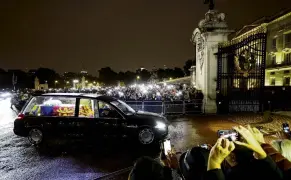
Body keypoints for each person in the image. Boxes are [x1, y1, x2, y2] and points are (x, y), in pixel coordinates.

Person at [204, 125, 284, 180]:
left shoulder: (231, 176)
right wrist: (261, 147)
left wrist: (214, 161)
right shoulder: (261, 172)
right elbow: (277, 176)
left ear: (233, 157)